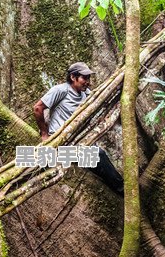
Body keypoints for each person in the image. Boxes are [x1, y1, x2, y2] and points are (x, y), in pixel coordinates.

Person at [33, 62, 124, 196]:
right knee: (99, 155)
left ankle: (115, 191)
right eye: (84, 78)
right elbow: (37, 108)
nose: (87, 82)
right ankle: (122, 189)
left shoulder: (85, 94)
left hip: (78, 143)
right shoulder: (61, 90)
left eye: (88, 78)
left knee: (98, 160)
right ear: (72, 77)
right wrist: (45, 134)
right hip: (61, 146)